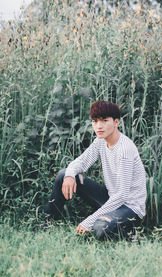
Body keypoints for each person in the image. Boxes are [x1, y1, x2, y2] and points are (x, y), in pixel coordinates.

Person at [44, 100, 147, 240]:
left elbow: (122, 195)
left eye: (104, 121)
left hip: (129, 208)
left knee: (100, 228)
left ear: (116, 122)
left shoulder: (124, 150)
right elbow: (81, 162)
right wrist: (69, 175)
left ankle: (130, 233)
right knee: (64, 174)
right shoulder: (101, 141)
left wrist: (89, 221)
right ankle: (48, 226)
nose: (99, 126)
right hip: (111, 198)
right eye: (95, 121)